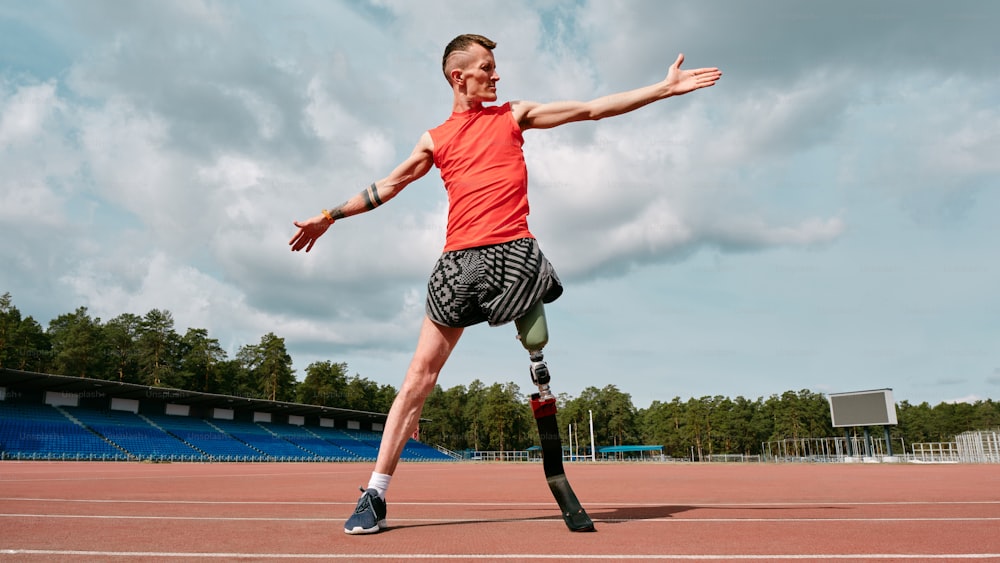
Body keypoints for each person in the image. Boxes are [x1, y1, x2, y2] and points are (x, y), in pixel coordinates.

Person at [289, 34, 721, 534]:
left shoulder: (513, 116)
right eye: (487, 68)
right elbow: (386, 185)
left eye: (496, 68)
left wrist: (661, 90)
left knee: (535, 329)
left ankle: (537, 366)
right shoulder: (435, 138)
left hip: (514, 253)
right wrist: (329, 215)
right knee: (416, 381)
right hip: (459, 264)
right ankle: (375, 494)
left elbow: (589, 110)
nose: (497, 76)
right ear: (459, 76)